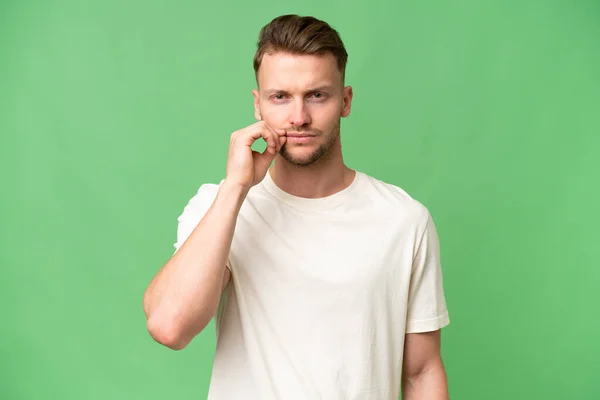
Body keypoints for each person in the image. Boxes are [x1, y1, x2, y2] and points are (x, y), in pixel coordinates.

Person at [143, 14, 450, 400]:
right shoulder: (220, 206)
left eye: (317, 95)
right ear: (258, 105)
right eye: (280, 97)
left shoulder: (403, 220)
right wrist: (236, 188)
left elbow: (421, 372)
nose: (299, 117)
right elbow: (170, 326)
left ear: (346, 100)